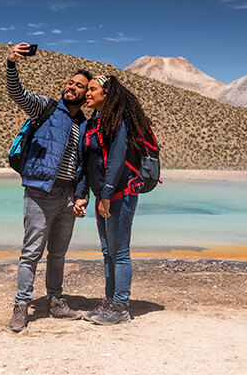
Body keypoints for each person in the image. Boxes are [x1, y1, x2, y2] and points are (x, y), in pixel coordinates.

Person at [6, 42, 92, 332]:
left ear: (85, 94)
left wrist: (82, 196)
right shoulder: (46, 107)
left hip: (68, 196)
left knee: (58, 253)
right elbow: (18, 94)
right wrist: (12, 64)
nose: (72, 87)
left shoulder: (85, 124)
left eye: (79, 86)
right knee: (31, 252)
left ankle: (55, 300)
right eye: (70, 82)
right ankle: (21, 305)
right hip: (40, 192)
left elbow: (85, 166)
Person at [73, 75, 151, 325]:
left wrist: (105, 196)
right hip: (102, 197)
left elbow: (116, 161)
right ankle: (109, 301)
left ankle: (121, 306)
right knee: (108, 252)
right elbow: (88, 164)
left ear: (106, 94)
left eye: (93, 89)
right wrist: (82, 195)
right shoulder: (92, 124)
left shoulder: (118, 123)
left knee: (120, 253)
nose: (88, 93)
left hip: (121, 195)